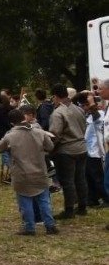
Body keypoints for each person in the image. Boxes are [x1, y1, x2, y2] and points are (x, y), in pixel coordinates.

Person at [0, 108, 59, 235]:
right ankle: (50, 225)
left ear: (11, 123)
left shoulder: (10, 136)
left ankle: (29, 227)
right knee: (44, 200)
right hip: (40, 170)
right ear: (23, 118)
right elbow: (50, 147)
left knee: (25, 201)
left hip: (21, 173)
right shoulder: (39, 132)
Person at [48, 84, 87, 219]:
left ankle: (69, 210)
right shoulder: (79, 109)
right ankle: (82, 206)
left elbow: (55, 134)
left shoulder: (58, 113)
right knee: (80, 179)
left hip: (66, 150)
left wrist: (49, 149)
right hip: (82, 148)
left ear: (56, 96)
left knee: (67, 181)